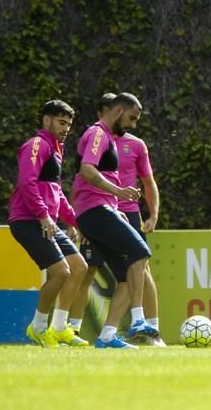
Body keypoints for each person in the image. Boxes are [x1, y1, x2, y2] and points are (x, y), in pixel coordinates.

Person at [69, 93, 165, 346]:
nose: (133, 125)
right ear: (118, 110)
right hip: (95, 210)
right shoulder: (98, 134)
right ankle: (138, 320)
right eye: (132, 118)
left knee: (125, 278)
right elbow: (87, 170)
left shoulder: (109, 138)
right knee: (140, 251)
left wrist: (115, 205)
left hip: (102, 210)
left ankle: (107, 336)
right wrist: (118, 193)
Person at [9, 100, 88, 347]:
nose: (66, 128)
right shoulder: (37, 145)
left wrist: (74, 221)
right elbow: (27, 182)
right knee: (61, 272)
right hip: (28, 220)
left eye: (69, 124)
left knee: (79, 267)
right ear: (46, 120)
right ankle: (38, 327)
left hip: (46, 220)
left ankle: (59, 327)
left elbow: (56, 191)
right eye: (61, 122)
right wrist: (44, 215)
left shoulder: (55, 148)